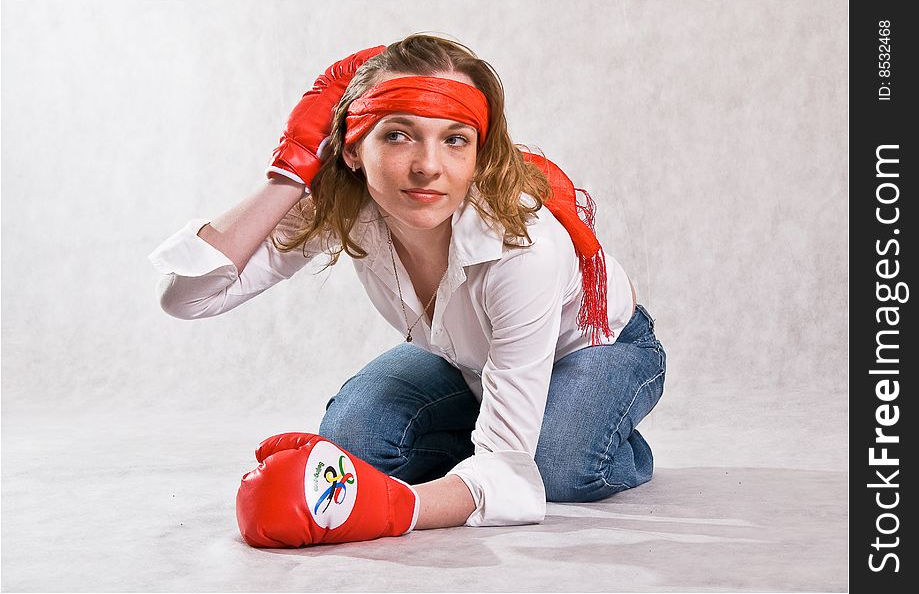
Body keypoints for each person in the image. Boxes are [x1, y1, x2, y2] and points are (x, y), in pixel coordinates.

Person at [148, 34, 667, 548]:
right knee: (355, 439)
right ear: (352, 149)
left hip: (597, 347)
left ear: (479, 155)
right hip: (468, 362)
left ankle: (594, 435)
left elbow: (509, 477)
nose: (427, 166)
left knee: (554, 467)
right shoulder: (350, 207)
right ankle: (503, 431)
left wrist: (396, 508)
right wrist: (290, 170)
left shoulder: (523, 248)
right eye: (397, 135)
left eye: (455, 139)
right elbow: (190, 296)